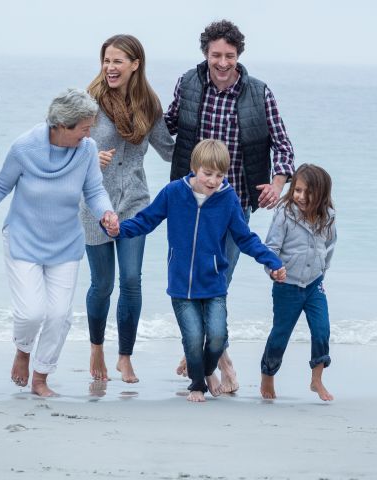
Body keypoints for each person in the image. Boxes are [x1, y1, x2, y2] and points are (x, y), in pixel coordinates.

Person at [164, 19, 295, 391]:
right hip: (190, 204)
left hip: (234, 204)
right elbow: (168, 124)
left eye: (230, 56)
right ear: (205, 54)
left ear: (239, 56)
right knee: (196, 281)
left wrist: (277, 183)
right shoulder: (189, 83)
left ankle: (209, 358)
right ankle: (211, 361)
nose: (222, 63)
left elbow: (283, 146)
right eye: (215, 55)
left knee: (218, 282)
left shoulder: (259, 93)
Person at [104, 139, 286, 402]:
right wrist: (119, 229)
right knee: (192, 338)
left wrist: (272, 261)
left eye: (220, 175)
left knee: (216, 337)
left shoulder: (228, 199)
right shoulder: (174, 193)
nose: (213, 181)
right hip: (181, 284)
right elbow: (146, 220)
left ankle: (205, 369)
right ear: (194, 168)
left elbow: (245, 238)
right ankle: (197, 385)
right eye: (207, 174)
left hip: (213, 284)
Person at [0, 88, 118, 397]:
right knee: (31, 313)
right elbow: (1, 185)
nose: (89, 134)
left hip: (65, 243)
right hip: (23, 238)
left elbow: (94, 191)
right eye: (84, 128)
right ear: (62, 126)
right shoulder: (25, 148)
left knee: (59, 316)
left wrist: (107, 213)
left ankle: (41, 377)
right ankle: (23, 350)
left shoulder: (86, 150)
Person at [80, 34, 174, 384]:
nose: (110, 67)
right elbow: (65, 142)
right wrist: (89, 155)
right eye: (106, 60)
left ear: (135, 64)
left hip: (135, 204)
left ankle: (125, 356)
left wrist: (215, 155)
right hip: (95, 204)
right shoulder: (88, 101)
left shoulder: (149, 106)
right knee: (102, 285)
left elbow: (168, 150)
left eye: (118, 61)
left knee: (131, 281)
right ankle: (95, 347)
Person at [259, 164, 337, 402]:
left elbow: (330, 246)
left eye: (307, 192)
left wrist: (322, 270)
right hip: (287, 285)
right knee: (281, 333)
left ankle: (316, 380)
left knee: (322, 330)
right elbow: (270, 248)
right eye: (297, 190)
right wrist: (274, 270)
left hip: (314, 284)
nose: (300, 196)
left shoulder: (328, 217)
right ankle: (268, 375)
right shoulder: (285, 213)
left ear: (321, 195)